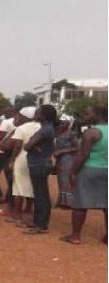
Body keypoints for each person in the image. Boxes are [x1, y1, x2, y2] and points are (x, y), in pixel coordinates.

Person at [61, 104, 107, 245]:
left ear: (98, 115)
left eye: (87, 114)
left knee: (80, 204)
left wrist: (73, 172)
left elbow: (83, 154)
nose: (84, 117)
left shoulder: (91, 132)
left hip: (89, 170)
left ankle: (75, 236)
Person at [22, 105, 57, 234]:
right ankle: (37, 222)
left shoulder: (45, 130)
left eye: (37, 113)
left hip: (39, 164)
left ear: (44, 116)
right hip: (40, 163)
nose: (35, 114)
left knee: (41, 194)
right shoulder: (46, 129)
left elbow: (27, 146)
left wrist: (31, 144)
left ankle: (41, 225)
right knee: (39, 194)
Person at [5, 107, 37, 224]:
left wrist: (12, 160)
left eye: (18, 115)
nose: (16, 117)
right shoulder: (41, 127)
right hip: (36, 160)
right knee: (32, 185)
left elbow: (11, 146)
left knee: (18, 188)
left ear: (24, 117)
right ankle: (29, 209)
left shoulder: (22, 128)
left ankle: (17, 215)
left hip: (22, 159)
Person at [54, 114, 78, 209]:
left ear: (68, 124)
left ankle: (69, 202)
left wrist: (62, 151)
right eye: (60, 123)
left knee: (66, 180)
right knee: (61, 180)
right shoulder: (59, 133)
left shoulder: (72, 134)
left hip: (67, 159)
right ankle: (63, 201)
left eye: (63, 123)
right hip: (60, 160)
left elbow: (78, 147)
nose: (61, 125)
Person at [0, 107, 16, 205]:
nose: (4, 114)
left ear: (12, 112)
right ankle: (9, 197)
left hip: (2, 151)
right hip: (13, 151)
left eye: (6, 112)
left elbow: (0, 137)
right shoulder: (20, 123)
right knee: (10, 175)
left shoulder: (6, 122)